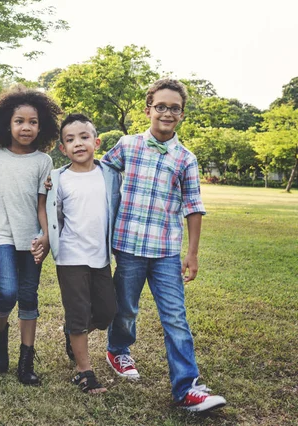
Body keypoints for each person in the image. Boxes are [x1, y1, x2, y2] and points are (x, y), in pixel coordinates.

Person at [102, 78, 226, 412]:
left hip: (166, 252)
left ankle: (187, 387)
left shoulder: (186, 158)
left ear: (182, 114)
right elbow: (98, 174)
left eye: (174, 108)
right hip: (127, 246)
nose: (167, 113)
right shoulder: (127, 146)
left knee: (175, 318)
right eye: (161, 106)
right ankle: (117, 349)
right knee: (126, 308)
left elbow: (193, 206)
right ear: (148, 109)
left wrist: (192, 252)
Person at [0, 86, 61, 385]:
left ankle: (26, 361)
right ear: (7, 124)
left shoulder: (43, 162)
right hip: (2, 236)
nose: (26, 127)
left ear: (42, 127)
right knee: (7, 292)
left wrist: (45, 237)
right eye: (19, 121)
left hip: (32, 240)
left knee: (28, 297)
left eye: (33, 122)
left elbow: (42, 205)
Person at [46, 114, 121, 394]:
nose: (78, 143)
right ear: (62, 148)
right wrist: (44, 239)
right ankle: (84, 371)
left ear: (96, 142)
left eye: (84, 137)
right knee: (78, 314)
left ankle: (72, 333)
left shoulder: (109, 175)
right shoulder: (58, 179)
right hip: (70, 257)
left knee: (106, 312)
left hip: (100, 257)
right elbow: (52, 216)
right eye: (70, 140)